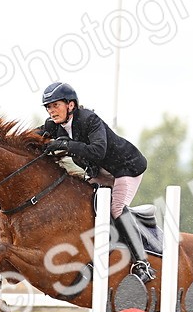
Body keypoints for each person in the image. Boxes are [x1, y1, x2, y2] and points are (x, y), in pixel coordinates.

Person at [39, 81, 156, 284]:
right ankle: (94, 255)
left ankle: (142, 263)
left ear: (71, 105)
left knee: (116, 208)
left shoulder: (89, 120)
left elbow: (97, 151)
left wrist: (66, 144)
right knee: (86, 206)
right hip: (101, 172)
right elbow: (32, 137)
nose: (51, 111)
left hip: (126, 167)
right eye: (48, 107)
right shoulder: (53, 126)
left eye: (55, 105)